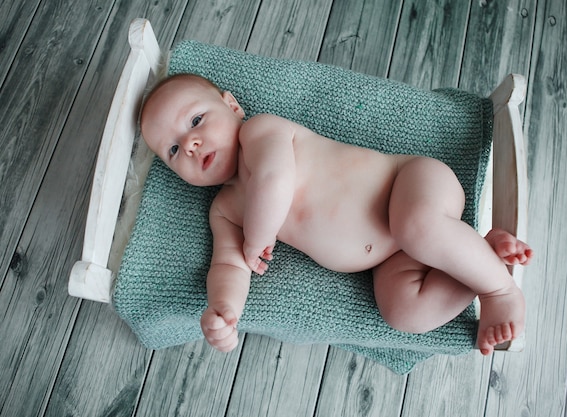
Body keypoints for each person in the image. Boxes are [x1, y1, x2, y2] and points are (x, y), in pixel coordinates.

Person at [140, 73, 533, 356]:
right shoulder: (225, 211)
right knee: (402, 311)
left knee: (416, 227)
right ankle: (479, 253)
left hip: (411, 185)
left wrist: (256, 237)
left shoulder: (259, 133)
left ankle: (500, 291)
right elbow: (229, 264)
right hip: (390, 259)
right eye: (173, 151)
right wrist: (225, 309)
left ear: (232, 105)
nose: (190, 144)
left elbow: (273, 180)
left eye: (196, 121)